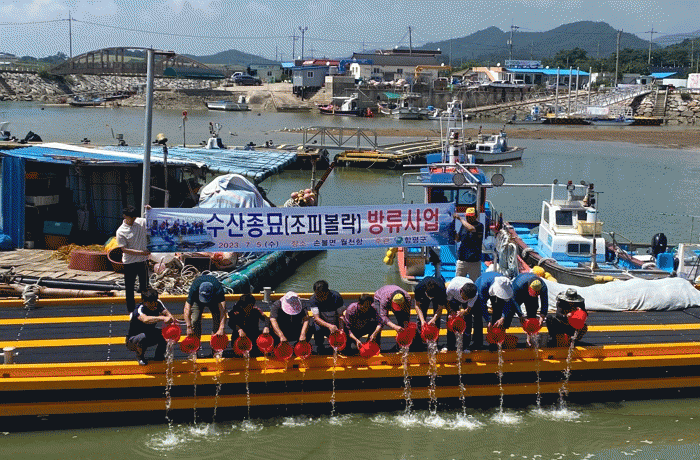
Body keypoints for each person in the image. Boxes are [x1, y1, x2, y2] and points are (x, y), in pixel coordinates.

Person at [126, 288, 174, 365]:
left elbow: (168, 315)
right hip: (133, 341)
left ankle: (159, 356)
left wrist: (171, 321)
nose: (153, 305)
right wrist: (162, 318)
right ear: (144, 301)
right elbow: (145, 319)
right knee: (143, 337)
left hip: (149, 334)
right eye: (150, 303)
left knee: (165, 334)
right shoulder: (139, 310)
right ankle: (140, 357)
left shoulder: (158, 304)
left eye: (154, 302)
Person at [115, 205, 150, 313]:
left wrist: (149, 210)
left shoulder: (140, 222)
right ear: (125, 216)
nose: (134, 219)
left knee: (145, 287)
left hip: (142, 261)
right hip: (130, 263)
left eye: (135, 217)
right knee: (129, 288)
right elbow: (124, 249)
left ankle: (146, 307)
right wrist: (142, 253)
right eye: (131, 217)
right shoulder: (121, 231)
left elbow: (152, 220)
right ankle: (131, 310)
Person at [184, 274, 227, 356]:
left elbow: (223, 311)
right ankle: (194, 350)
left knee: (218, 320)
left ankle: (216, 350)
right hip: (197, 300)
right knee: (195, 320)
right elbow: (187, 309)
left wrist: (222, 328)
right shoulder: (194, 288)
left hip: (214, 300)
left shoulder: (218, 289)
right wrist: (188, 327)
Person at [503, 273, 549, 344]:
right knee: (510, 310)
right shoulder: (518, 285)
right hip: (518, 293)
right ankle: (503, 334)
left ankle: (530, 339)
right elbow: (514, 301)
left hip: (530, 295)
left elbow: (545, 302)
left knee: (532, 311)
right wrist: (520, 315)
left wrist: (542, 317)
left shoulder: (543, 287)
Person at [473, 272, 514, 350]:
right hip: (482, 289)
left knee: (498, 312)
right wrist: (488, 320)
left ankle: (495, 340)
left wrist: (503, 317)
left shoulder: (508, 285)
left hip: (492, 286)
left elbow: (508, 303)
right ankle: (477, 343)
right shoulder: (482, 286)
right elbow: (482, 305)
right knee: (478, 314)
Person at [309, 280, 345, 354]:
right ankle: (320, 346)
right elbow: (316, 318)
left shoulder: (336, 296)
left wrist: (341, 329)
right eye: (317, 295)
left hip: (335, 323)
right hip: (323, 324)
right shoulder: (313, 300)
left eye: (322, 296)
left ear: (327, 292)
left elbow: (340, 315)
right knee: (317, 329)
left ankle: (340, 346)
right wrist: (329, 326)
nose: (319, 298)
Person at [413, 276, 447, 350]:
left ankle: (434, 342)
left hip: (438, 295)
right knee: (421, 318)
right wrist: (422, 321)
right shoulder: (419, 288)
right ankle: (420, 343)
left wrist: (434, 319)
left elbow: (440, 308)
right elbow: (417, 305)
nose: (430, 299)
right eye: (429, 296)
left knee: (436, 321)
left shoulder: (441, 290)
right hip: (423, 296)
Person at [444, 276, 478, 350]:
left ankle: (465, 345)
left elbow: (469, 309)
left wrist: (464, 312)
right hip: (454, 298)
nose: (465, 299)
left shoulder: (474, 295)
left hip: (466, 302)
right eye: (464, 297)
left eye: (467, 298)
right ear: (461, 291)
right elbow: (447, 302)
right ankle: (450, 344)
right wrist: (451, 311)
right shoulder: (452, 288)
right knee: (450, 319)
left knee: (468, 320)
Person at [454, 207, 484, 281]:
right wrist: (455, 235)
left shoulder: (479, 226)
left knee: (475, 282)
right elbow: (458, 239)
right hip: (462, 259)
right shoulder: (463, 226)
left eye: (471, 216)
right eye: (467, 216)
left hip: (474, 261)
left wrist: (460, 219)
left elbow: (471, 229)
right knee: (459, 281)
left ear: (476, 216)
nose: (469, 218)